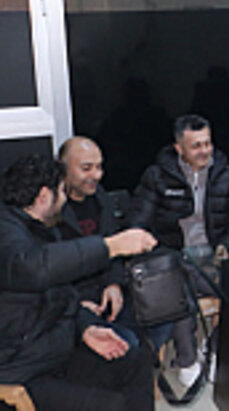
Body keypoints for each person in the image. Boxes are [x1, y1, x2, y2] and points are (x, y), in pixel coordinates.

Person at [0, 154, 158, 411]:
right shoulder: (6, 233)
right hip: (20, 370)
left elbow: (61, 297)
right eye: (62, 191)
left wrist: (85, 328)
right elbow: (33, 267)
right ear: (44, 196)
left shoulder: (41, 230)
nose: (65, 200)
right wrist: (110, 246)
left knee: (136, 359)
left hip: (51, 353)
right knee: (112, 405)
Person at [130, 114, 229, 386]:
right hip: (171, 260)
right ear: (179, 148)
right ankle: (186, 359)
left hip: (212, 257)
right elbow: (137, 224)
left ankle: (215, 347)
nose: (204, 151)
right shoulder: (157, 177)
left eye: (207, 143)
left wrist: (226, 246)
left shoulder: (228, 174)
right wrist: (158, 252)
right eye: (196, 146)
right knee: (178, 290)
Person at [57, 136, 137, 346]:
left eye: (99, 167)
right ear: (64, 169)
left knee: (157, 318)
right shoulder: (51, 209)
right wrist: (76, 304)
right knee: (124, 345)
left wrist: (114, 284)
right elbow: (47, 268)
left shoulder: (102, 200)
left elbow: (115, 247)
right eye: (86, 168)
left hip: (104, 291)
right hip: (68, 302)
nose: (96, 175)